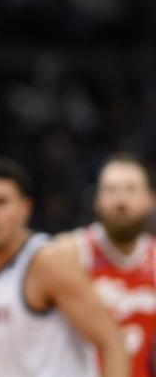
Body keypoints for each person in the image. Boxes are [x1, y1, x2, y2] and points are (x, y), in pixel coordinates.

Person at [0, 156, 128, 377]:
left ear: (25, 208)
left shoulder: (47, 261)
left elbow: (112, 343)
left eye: (1, 202)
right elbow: (3, 346)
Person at [65, 153, 156, 376]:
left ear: (150, 199)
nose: (121, 201)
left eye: (131, 189)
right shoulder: (70, 254)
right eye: (111, 190)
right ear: (98, 200)